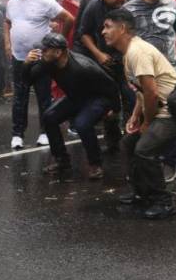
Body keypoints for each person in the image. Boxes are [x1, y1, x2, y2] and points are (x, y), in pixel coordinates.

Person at [102, 8, 176, 220]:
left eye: (108, 27)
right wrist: (136, 116)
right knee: (128, 144)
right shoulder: (130, 52)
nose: (103, 32)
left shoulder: (138, 51)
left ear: (122, 28)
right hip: (160, 107)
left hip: (172, 111)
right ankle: (141, 192)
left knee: (145, 149)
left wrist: (147, 121)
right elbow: (142, 90)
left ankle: (163, 202)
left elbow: (152, 91)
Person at [23, 33, 120, 180]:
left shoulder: (83, 66)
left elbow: (111, 86)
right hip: (76, 97)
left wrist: (115, 109)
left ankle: (95, 164)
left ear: (58, 52)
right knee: (49, 117)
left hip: (98, 97)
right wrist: (26, 65)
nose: (42, 52)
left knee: (82, 124)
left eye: (45, 50)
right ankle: (62, 160)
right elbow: (27, 82)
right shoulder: (47, 62)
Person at [125, 0, 176, 183]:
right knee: (142, 119)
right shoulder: (128, 11)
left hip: (171, 72)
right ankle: (144, 164)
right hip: (141, 74)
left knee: (171, 119)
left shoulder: (173, 5)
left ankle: (170, 164)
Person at [5, 0, 74, 150]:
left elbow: (68, 19)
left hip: (41, 58)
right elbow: (7, 22)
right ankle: (17, 135)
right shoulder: (12, 2)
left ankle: (45, 132)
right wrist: (7, 43)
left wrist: (59, 43)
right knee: (20, 97)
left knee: (44, 96)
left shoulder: (44, 1)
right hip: (19, 58)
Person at [74, 0, 132, 150]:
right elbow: (83, 34)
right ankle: (112, 139)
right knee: (109, 100)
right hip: (106, 61)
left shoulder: (133, 3)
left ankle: (133, 137)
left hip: (129, 60)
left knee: (131, 98)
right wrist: (98, 54)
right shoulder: (94, 6)